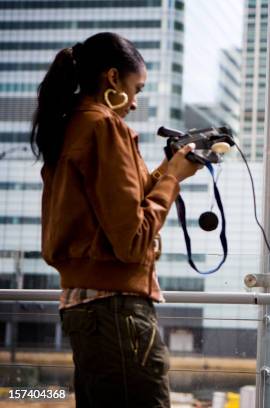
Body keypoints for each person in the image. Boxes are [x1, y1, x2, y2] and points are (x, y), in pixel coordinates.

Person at [31, 32, 200, 407]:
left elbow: (109, 210)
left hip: (82, 309)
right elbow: (134, 239)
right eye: (136, 89)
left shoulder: (69, 125)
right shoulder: (105, 127)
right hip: (118, 313)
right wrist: (172, 180)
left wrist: (169, 171)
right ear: (112, 79)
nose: (136, 104)